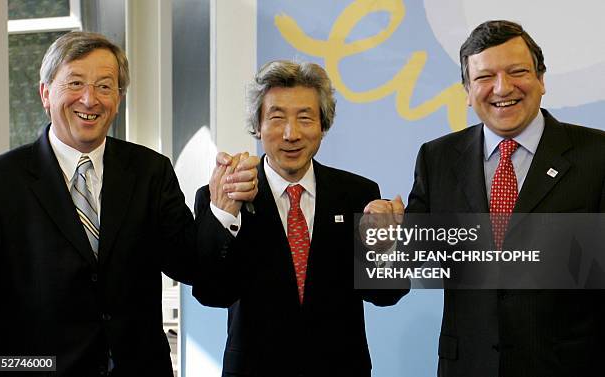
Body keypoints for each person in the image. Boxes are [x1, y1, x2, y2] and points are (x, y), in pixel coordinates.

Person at [0, 31, 258, 377]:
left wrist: (221, 210)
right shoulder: (2, 181)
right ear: (45, 93)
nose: (89, 99)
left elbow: (195, 270)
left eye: (105, 87)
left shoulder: (150, 171)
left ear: (118, 100)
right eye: (75, 83)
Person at [366, 20, 605, 377]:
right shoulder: (438, 159)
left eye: (517, 71)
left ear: (541, 79)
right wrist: (379, 242)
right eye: (484, 77)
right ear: (466, 89)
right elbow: (389, 288)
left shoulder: (597, 155)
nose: (502, 87)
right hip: (467, 367)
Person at [192, 60, 406, 377]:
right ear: (257, 126)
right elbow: (212, 293)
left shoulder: (357, 192)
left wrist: (386, 246)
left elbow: (386, 295)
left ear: (323, 125)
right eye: (277, 118)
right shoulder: (227, 195)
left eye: (305, 118)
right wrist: (224, 214)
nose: (291, 134)